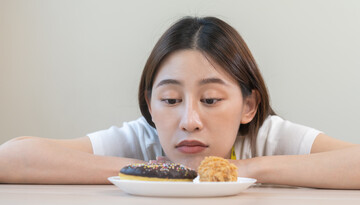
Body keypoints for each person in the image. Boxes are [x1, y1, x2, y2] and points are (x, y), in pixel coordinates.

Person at [0, 16, 359, 188]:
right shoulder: (144, 140)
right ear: (150, 105)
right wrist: (153, 171)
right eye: (170, 99)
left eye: (211, 99)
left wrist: (252, 169)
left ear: (248, 106)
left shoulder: (265, 138)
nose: (189, 120)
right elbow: (11, 158)